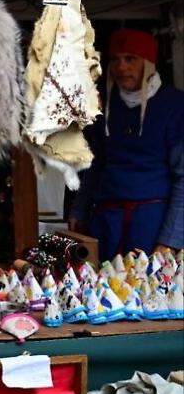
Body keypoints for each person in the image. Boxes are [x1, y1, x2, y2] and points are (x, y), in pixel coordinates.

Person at [70, 28, 183, 260]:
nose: (121, 67)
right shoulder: (107, 107)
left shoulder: (174, 106)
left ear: (148, 62)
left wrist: (170, 239)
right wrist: (80, 209)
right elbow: (97, 164)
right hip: (106, 222)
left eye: (130, 59)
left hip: (152, 224)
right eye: (115, 60)